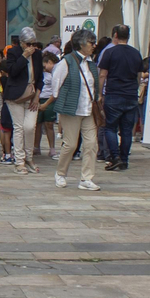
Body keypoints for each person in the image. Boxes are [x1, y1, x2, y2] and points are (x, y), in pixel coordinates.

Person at [53, 30, 102, 191]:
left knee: (91, 144)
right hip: (71, 109)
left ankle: (86, 178)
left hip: (88, 109)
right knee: (71, 144)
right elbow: (56, 83)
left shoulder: (91, 63)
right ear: (81, 44)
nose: (94, 45)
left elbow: (94, 84)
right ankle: (60, 173)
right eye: (91, 42)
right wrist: (62, 100)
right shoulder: (66, 61)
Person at [97, 25, 146, 172]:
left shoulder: (109, 52)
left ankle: (115, 157)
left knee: (110, 127)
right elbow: (139, 75)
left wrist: (99, 94)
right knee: (126, 130)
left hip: (113, 94)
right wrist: (135, 89)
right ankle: (124, 159)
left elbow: (102, 75)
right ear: (128, 36)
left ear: (115, 35)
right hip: (130, 95)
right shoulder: (136, 53)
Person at [0, 41, 39, 175]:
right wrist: (24, 57)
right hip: (15, 95)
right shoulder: (13, 52)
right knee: (19, 127)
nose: (31, 46)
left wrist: (37, 96)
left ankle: (29, 158)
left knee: (30, 126)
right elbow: (12, 72)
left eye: (33, 43)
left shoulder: (37, 54)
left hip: (32, 94)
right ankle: (19, 161)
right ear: (22, 42)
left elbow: (40, 77)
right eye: (28, 43)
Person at [36, 52, 60, 160]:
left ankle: (52, 149)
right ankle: (36, 147)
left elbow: (55, 92)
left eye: (45, 66)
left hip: (50, 99)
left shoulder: (55, 74)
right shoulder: (41, 73)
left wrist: (46, 104)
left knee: (49, 124)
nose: (44, 68)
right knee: (37, 125)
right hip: (39, 98)